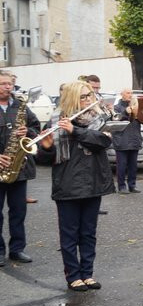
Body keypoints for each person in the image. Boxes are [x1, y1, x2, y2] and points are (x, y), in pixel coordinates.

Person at [36, 81, 115, 291]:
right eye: (83, 96)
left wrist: (74, 131)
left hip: (93, 182)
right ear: (72, 98)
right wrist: (46, 148)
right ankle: (73, 275)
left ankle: (87, 273)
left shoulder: (99, 119)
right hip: (67, 184)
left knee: (88, 232)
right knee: (70, 233)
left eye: (89, 95)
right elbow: (45, 159)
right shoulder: (56, 120)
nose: (89, 99)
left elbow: (102, 142)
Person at [0, 71, 40, 266]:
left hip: (18, 168)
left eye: (9, 84)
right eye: (3, 84)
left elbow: (37, 128)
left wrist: (29, 131)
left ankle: (17, 249)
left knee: (18, 211)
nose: (8, 87)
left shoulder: (20, 105)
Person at [112, 88, 142, 194]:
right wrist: (125, 111)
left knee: (133, 165)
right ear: (122, 94)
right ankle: (121, 186)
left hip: (134, 139)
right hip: (122, 141)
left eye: (131, 93)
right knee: (122, 165)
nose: (130, 95)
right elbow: (115, 119)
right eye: (128, 93)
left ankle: (132, 185)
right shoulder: (116, 107)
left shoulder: (136, 106)